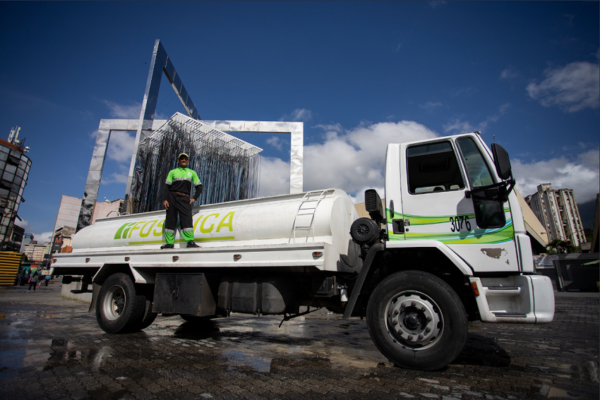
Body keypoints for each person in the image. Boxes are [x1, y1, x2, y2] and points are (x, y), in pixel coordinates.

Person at [161, 153, 202, 249]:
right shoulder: (172, 172)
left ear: (188, 161)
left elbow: (199, 187)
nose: (183, 160)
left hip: (185, 199)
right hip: (172, 197)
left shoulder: (192, 172)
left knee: (187, 219)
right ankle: (169, 243)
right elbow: (167, 187)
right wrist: (165, 199)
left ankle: (190, 242)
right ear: (178, 161)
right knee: (170, 219)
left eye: (185, 159)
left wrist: (194, 198)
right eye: (181, 159)